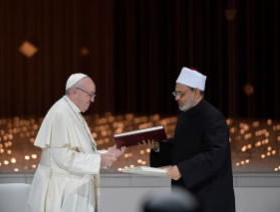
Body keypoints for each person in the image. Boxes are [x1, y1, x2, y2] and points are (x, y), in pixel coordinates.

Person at [26, 73, 126, 212]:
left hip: (72, 189)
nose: (92, 100)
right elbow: (63, 158)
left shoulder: (72, 112)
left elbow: (80, 152)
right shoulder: (61, 113)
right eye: (89, 95)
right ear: (74, 92)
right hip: (61, 191)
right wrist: (98, 161)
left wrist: (108, 154)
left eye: (93, 95)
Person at [141, 67, 235, 212]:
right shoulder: (185, 114)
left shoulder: (212, 117)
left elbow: (214, 155)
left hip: (209, 197)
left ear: (196, 92)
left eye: (180, 93)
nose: (176, 98)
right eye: (175, 93)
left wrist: (183, 169)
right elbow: (182, 147)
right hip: (187, 192)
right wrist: (158, 148)